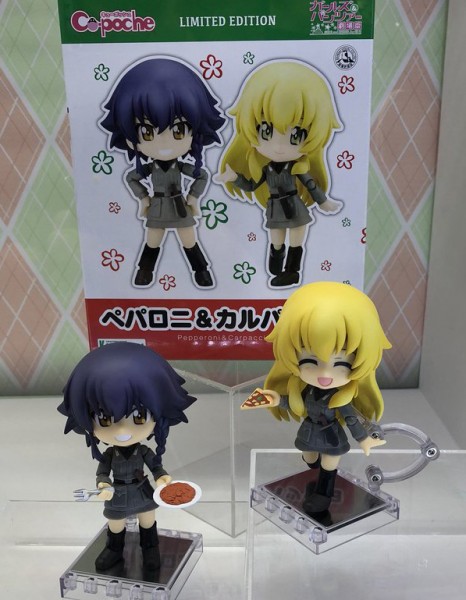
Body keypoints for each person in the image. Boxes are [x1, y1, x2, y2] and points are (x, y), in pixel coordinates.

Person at [252, 282, 390, 513]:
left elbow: (352, 419)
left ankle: (324, 493)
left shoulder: (341, 398)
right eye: (310, 361)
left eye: (340, 364)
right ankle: (313, 471)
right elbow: (295, 404)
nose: (325, 375)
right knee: (309, 458)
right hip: (308, 431)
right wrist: (277, 400)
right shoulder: (306, 391)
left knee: (329, 464)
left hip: (331, 436)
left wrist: (363, 439)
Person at [58, 342, 196, 570]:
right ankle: (114, 550)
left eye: (139, 417)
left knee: (148, 521)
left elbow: (155, 466)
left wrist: (162, 477)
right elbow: (103, 472)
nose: (122, 430)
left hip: (142, 492)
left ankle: (150, 549)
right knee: (115, 524)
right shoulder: (110, 455)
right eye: (104, 420)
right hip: (118, 494)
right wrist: (103, 484)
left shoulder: (143, 451)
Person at [216, 61, 342, 287]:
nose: (278, 146)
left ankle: (292, 272)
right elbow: (252, 185)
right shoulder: (267, 169)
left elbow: (311, 185)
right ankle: (276, 267)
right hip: (275, 210)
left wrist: (324, 202)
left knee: (296, 241)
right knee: (276, 242)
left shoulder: (297, 167)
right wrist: (234, 178)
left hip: (295, 208)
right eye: (266, 131)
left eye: (296, 135)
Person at [101, 58, 225, 288]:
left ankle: (201, 272)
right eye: (147, 132)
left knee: (189, 241)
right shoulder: (150, 168)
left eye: (179, 130)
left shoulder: (180, 166)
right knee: (152, 241)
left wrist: (193, 197)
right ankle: (144, 272)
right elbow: (131, 177)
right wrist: (143, 198)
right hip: (157, 208)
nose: (165, 143)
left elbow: (202, 175)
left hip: (180, 207)